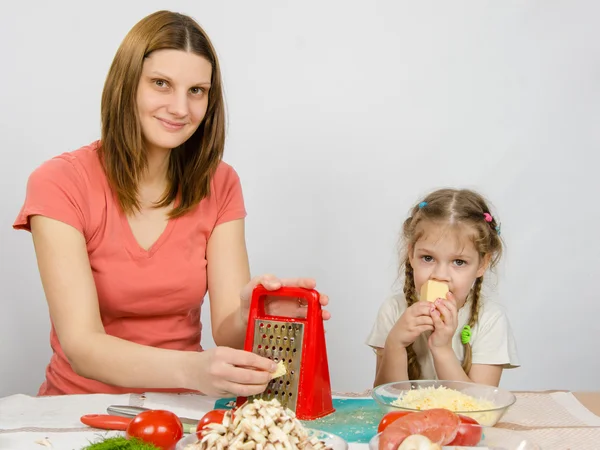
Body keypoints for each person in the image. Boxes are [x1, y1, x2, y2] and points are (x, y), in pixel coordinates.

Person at [12, 10, 329, 397]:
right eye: (161, 84)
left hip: (182, 411)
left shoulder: (220, 182)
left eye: (197, 90)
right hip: (76, 411)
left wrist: (254, 312)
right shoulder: (59, 183)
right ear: (126, 85)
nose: (181, 108)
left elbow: (226, 331)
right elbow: (82, 346)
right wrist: (193, 369)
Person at [366, 189, 519, 387]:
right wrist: (395, 344)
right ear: (411, 254)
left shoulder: (490, 319)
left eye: (459, 262)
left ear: (482, 264)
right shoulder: (393, 311)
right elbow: (386, 400)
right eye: (428, 258)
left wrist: (442, 349)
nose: (440, 275)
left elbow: (481, 405)